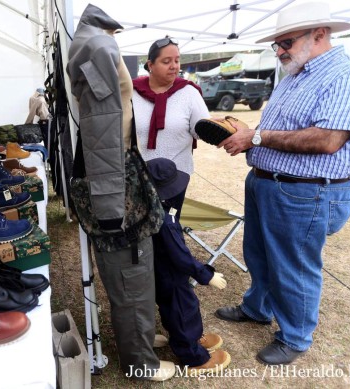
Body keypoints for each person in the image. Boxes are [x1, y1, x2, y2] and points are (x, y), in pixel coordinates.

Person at [215, 2, 350, 365]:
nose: (279, 51)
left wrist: (255, 138)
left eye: (286, 42)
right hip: (267, 183)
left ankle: (295, 336)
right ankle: (258, 308)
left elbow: (327, 139)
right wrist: (247, 135)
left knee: (293, 264)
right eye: (277, 44)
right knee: (259, 255)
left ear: (320, 34)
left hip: (306, 190)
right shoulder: (295, 74)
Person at [67, 4, 175, 382]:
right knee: (130, 266)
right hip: (110, 175)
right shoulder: (97, 46)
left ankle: (140, 338)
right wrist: (112, 204)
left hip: (117, 170)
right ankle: (139, 361)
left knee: (137, 265)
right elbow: (100, 132)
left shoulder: (97, 41)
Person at [146, 158, 231, 375]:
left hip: (158, 272)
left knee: (172, 309)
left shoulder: (150, 210)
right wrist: (206, 275)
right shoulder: (166, 222)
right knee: (183, 311)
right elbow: (181, 256)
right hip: (171, 276)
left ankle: (192, 338)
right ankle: (194, 358)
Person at [132, 37, 210, 219]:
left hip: (174, 177)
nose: (174, 66)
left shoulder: (189, 93)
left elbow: (202, 130)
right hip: (139, 175)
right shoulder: (132, 91)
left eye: (177, 60)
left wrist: (216, 128)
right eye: (166, 61)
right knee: (141, 229)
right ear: (150, 65)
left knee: (168, 226)